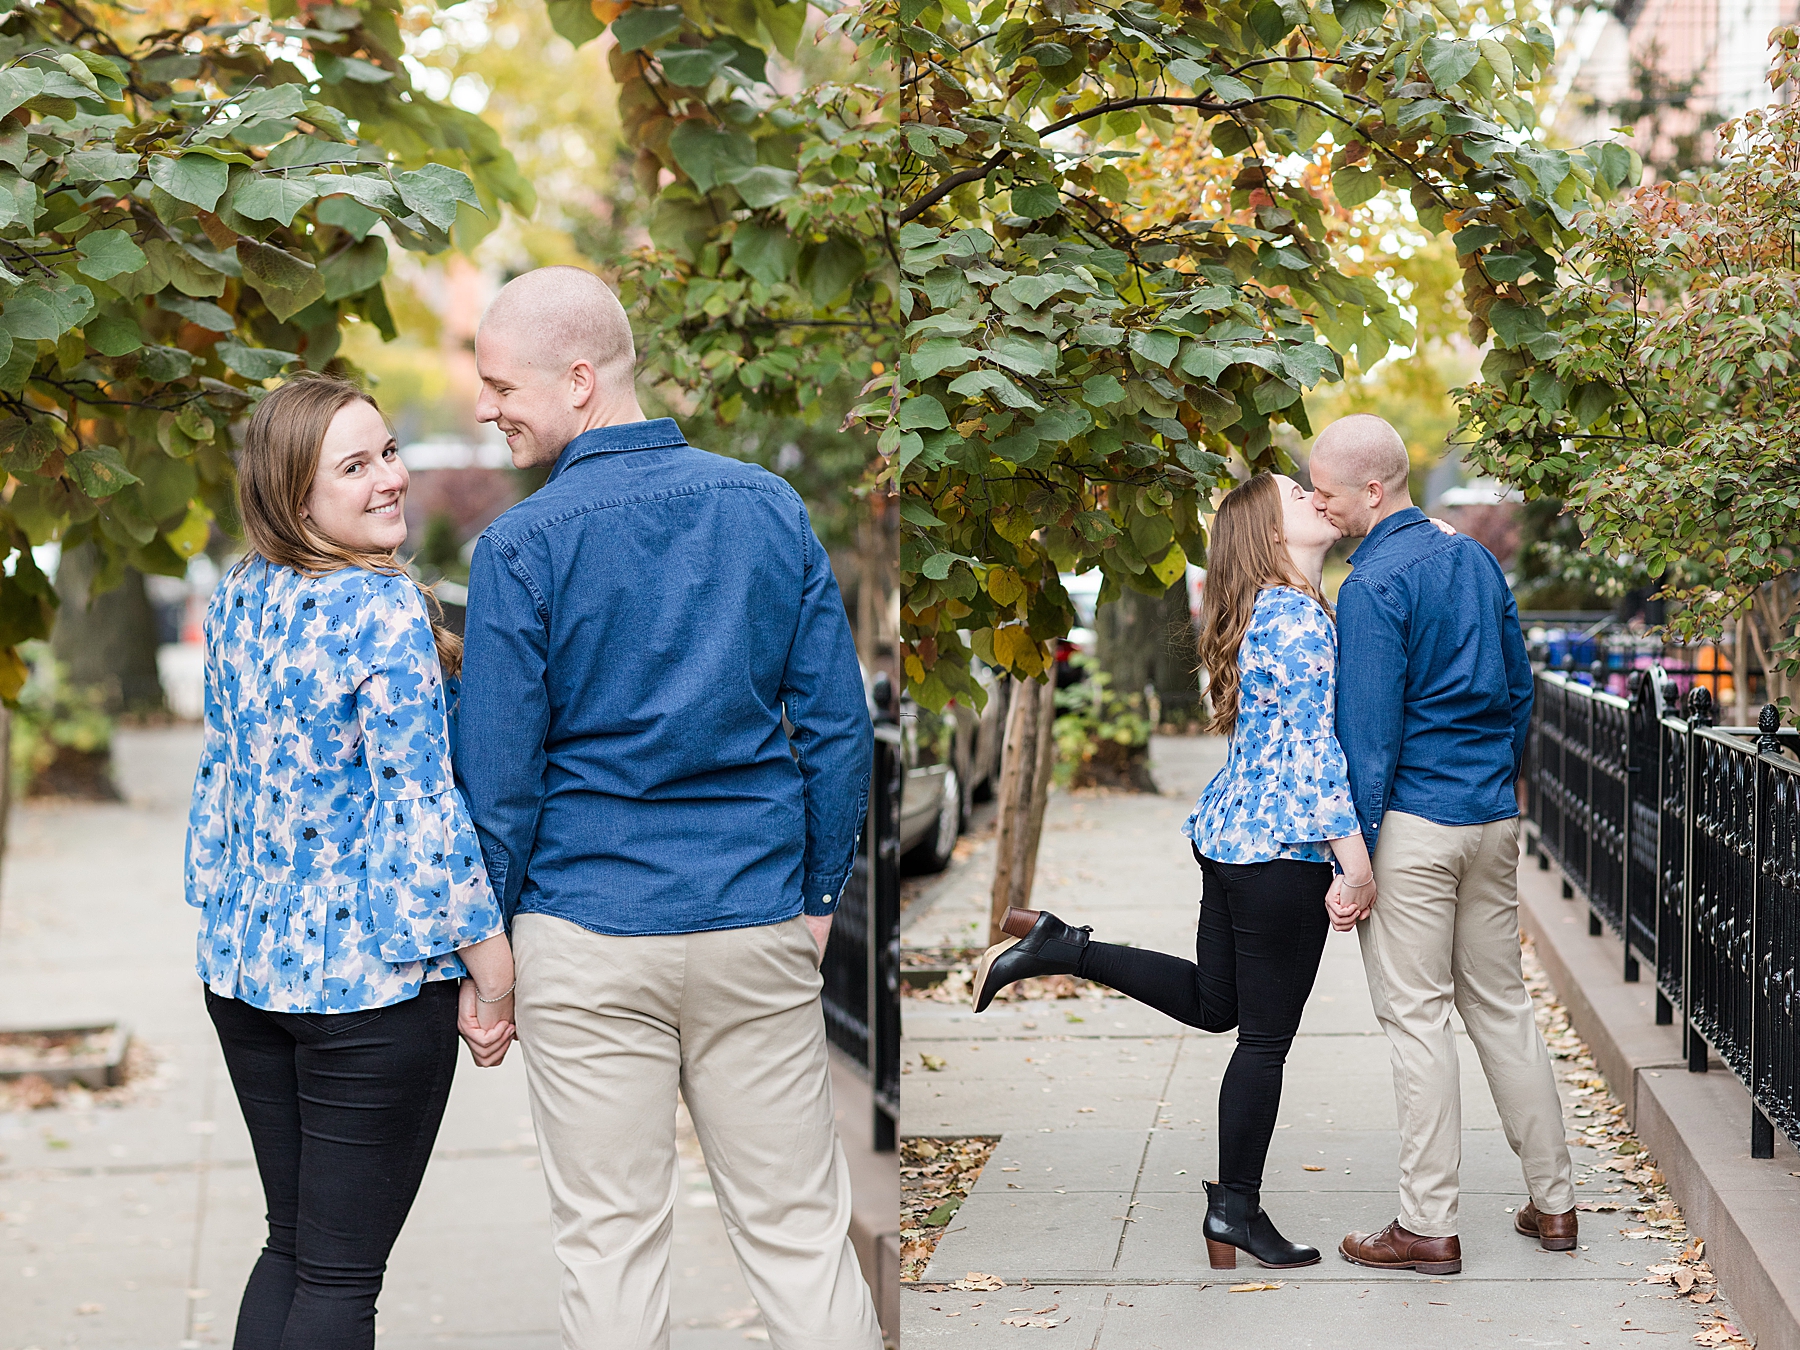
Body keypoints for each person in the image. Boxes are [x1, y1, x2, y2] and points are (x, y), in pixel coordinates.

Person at [453, 267, 882, 1350]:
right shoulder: (766, 507)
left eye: (501, 383)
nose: (485, 406)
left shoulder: (519, 548)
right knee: (797, 1238)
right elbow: (835, 727)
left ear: (582, 380)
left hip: (586, 931)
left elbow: (500, 784)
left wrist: (490, 959)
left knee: (610, 1245)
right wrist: (820, 895)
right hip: (752, 915)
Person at [970, 471, 1376, 1271]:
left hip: (1232, 839)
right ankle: (1237, 1211)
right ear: (1267, 534)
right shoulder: (1296, 619)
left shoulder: (1271, 609)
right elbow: (1314, 753)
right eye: (1299, 496)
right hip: (1279, 852)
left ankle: (1059, 946)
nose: (1317, 500)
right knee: (1262, 1043)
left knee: (1215, 1004)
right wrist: (1354, 862)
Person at [185, 376, 517, 1350]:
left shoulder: (241, 594)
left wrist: (217, 920)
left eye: (389, 452)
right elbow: (420, 809)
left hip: (245, 979)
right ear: (299, 500)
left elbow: (220, 786)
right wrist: (489, 965)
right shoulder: (380, 609)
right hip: (366, 995)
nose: (391, 479)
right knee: (336, 1280)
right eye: (356, 465)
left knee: (291, 1250)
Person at [1310, 413, 1575, 1276]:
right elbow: (1519, 686)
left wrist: (1354, 861)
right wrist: (1498, 783)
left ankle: (1427, 1224)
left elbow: (1367, 735)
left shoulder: (1370, 586)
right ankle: (1556, 1205)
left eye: (1329, 491)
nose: (1322, 505)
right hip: (1490, 818)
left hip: (1415, 827)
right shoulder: (1473, 559)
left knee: (1418, 1019)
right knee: (1501, 1008)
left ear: (1374, 490)